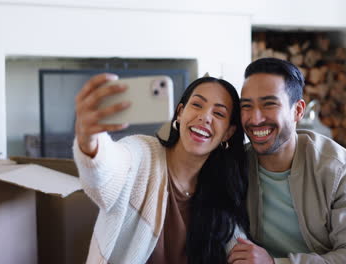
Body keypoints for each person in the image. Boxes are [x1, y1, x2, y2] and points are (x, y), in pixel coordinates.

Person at [73, 74, 249, 264]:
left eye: (219, 114)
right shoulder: (142, 154)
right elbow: (107, 173)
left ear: (228, 133)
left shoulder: (221, 188)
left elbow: (239, 248)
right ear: (180, 113)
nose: (205, 117)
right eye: (197, 105)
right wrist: (89, 140)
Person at [227, 58, 346, 264]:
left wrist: (276, 263)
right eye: (246, 106)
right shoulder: (234, 167)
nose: (255, 119)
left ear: (298, 110)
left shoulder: (339, 169)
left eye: (269, 104)